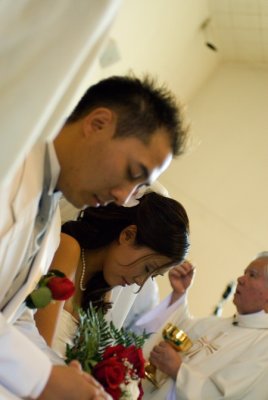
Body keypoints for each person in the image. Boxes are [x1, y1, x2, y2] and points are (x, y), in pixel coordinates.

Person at [0, 74, 188, 399]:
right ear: (98, 123)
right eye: (132, 173)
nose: (122, 197)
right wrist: (42, 378)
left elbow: (15, 317)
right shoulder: (8, 165)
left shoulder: (50, 223)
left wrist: (69, 379)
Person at [35, 191, 190, 356]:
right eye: (147, 268)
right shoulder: (68, 248)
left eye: (151, 276)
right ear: (127, 235)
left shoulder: (102, 292)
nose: (140, 281)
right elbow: (38, 346)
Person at [135, 254, 268, 400]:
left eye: (252, 275)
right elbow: (178, 329)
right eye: (245, 273)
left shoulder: (263, 345)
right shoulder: (219, 324)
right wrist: (179, 293)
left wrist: (178, 370)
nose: (240, 279)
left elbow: (226, 395)